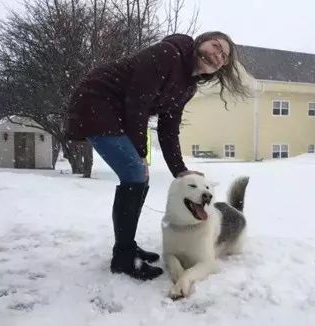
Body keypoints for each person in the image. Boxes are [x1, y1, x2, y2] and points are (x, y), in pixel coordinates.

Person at [65, 31, 249, 281]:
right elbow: (137, 102)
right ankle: (123, 258)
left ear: (222, 66)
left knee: (140, 177)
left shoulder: (187, 86)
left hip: (118, 113)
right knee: (135, 174)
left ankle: (127, 245)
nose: (217, 55)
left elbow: (168, 127)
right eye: (215, 46)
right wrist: (141, 151)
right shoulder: (168, 55)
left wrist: (180, 170)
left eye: (223, 55)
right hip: (98, 102)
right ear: (200, 41)